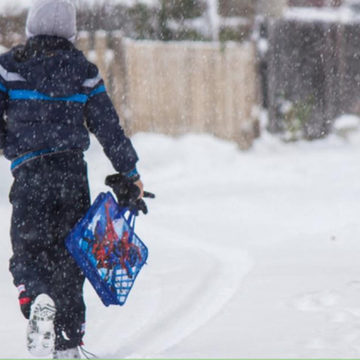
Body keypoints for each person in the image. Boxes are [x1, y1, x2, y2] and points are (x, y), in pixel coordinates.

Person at [0, 0, 151, 358]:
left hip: (30, 173)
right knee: (71, 258)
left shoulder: (9, 68)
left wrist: (12, 147)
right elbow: (109, 128)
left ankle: (36, 297)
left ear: (31, 26)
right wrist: (129, 174)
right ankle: (68, 342)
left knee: (30, 249)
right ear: (71, 31)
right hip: (71, 176)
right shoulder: (83, 71)